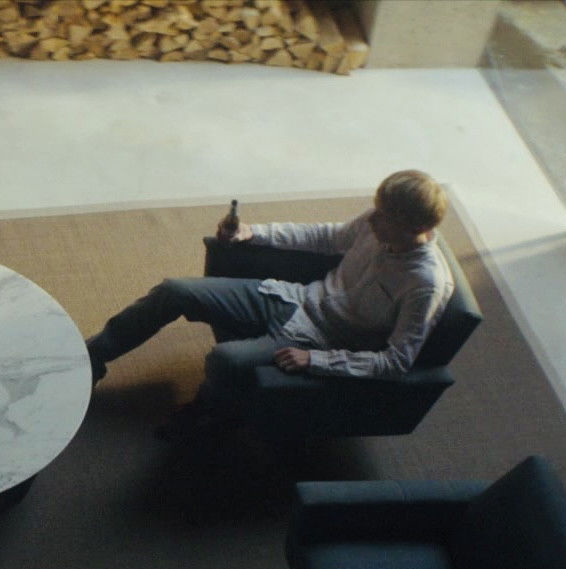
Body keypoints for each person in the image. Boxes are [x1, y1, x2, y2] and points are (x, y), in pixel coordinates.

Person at [85, 169, 454, 436]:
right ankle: (91, 359)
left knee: (225, 360)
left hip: (318, 339)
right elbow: (328, 237)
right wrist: (253, 233)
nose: (372, 218)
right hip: (292, 298)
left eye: (383, 216)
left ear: (413, 227)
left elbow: (396, 362)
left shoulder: (425, 284)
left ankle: (205, 416)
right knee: (174, 290)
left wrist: (317, 360)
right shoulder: (379, 224)